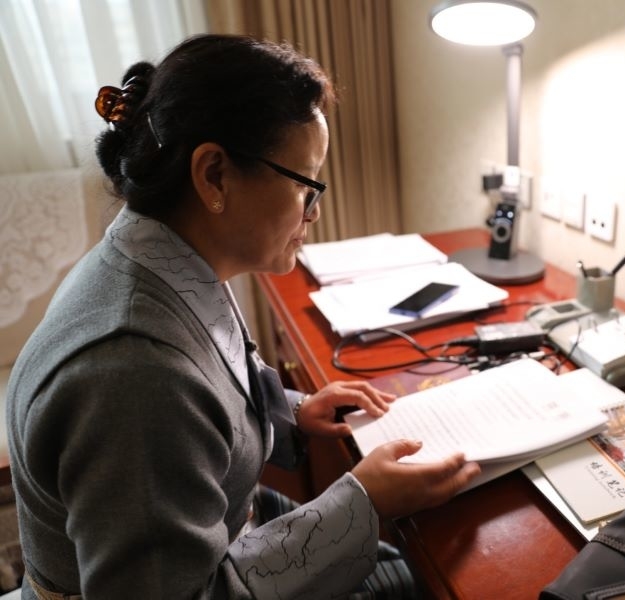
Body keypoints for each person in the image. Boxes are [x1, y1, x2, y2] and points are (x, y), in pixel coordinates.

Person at [5, 34, 481, 599]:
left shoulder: (161, 256)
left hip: (221, 524)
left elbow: (218, 380)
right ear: (214, 175)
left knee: (397, 558)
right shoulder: (134, 372)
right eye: (306, 184)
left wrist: (293, 411)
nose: (315, 212)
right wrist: (364, 501)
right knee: (414, 577)